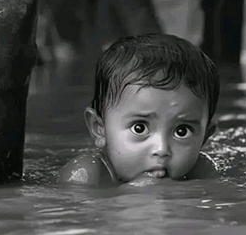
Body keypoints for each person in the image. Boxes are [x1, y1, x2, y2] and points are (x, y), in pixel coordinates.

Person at [58, 33, 220, 186]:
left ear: (205, 136)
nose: (161, 149)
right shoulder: (85, 176)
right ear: (99, 128)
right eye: (139, 128)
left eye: (182, 131)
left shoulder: (202, 172)